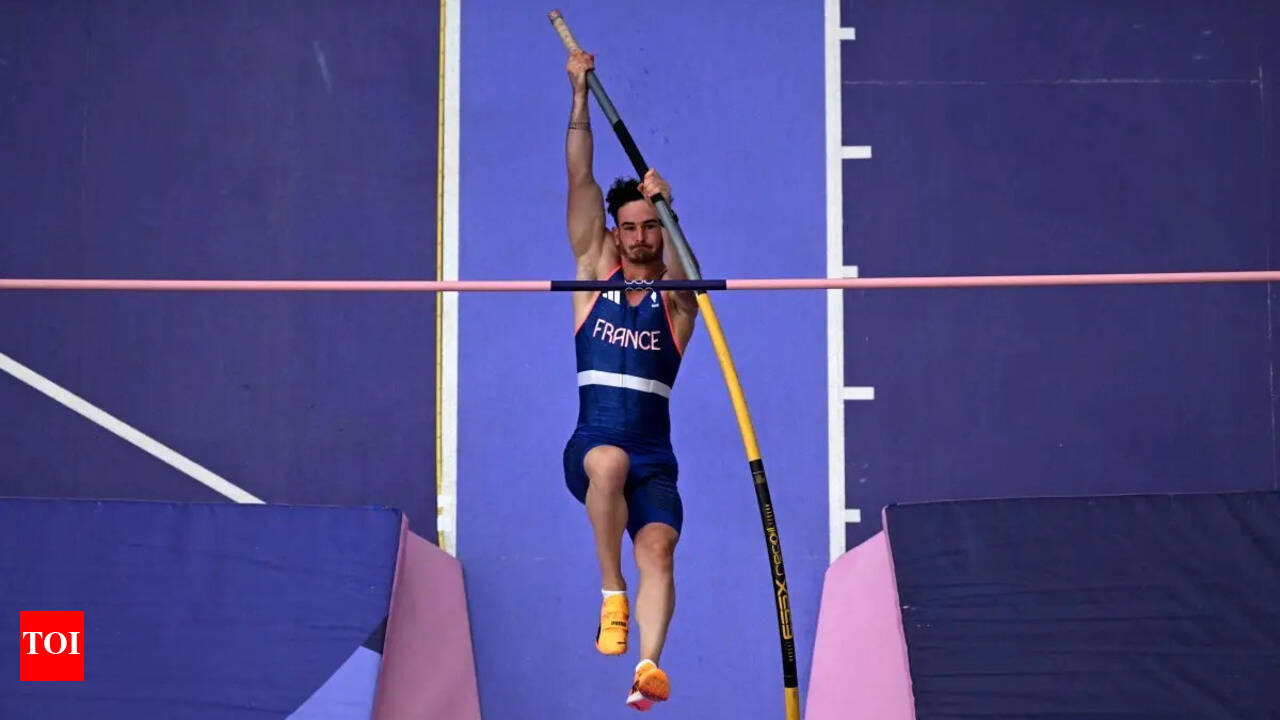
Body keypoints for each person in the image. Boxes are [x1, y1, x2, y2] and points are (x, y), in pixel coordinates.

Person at [560, 47, 699, 712]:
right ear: (615, 236)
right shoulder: (594, 275)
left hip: (655, 458)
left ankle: (647, 668)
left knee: (661, 548)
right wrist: (580, 96)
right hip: (593, 447)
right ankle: (611, 594)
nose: (641, 236)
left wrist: (672, 211)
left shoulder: (679, 303)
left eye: (651, 228)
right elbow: (580, 179)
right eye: (632, 228)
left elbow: (688, 273)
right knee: (610, 462)